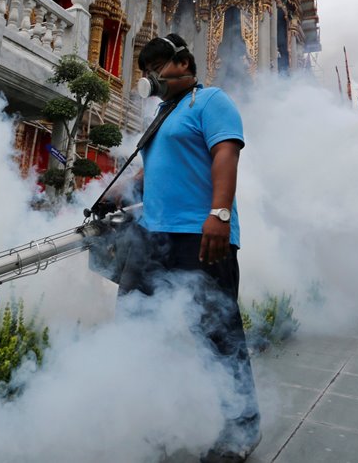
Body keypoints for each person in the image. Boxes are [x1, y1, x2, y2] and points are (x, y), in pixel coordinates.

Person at [121, 33, 261, 463]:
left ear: (183, 62)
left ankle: (241, 428)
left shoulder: (210, 101)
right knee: (136, 323)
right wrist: (117, 194)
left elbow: (224, 154)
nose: (151, 77)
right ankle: (156, 417)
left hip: (200, 235)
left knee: (217, 332)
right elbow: (153, 172)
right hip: (151, 236)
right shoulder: (163, 114)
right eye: (145, 71)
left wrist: (219, 215)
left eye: (156, 67)